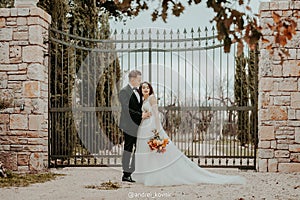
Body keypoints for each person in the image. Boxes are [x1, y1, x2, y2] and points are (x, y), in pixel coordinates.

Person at [132, 81, 246, 186]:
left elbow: (156, 114)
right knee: (148, 152)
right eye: (143, 88)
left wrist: (157, 130)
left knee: (158, 152)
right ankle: (148, 174)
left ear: (150, 89)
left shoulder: (152, 98)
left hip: (152, 127)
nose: (145, 89)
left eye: (147, 87)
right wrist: (143, 115)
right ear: (141, 90)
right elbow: (146, 113)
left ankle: (157, 176)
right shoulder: (144, 100)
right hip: (145, 126)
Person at [119, 70, 151, 182]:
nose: (140, 81)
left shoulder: (139, 91)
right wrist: (141, 115)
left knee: (138, 149)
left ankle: (133, 171)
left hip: (139, 125)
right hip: (128, 125)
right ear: (132, 79)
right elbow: (127, 109)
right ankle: (125, 174)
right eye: (139, 79)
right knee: (128, 148)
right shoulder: (123, 92)